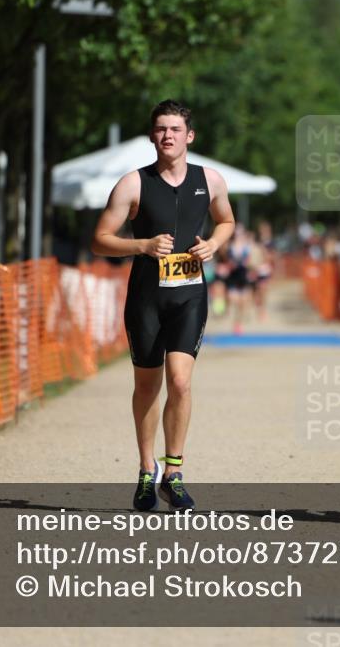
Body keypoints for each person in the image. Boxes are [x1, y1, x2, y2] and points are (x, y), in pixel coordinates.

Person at [91, 99, 235, 513]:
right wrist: (143, 245)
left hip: (189, 294)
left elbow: (226, 220)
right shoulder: (132, 184)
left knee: (182, 380)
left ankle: (174, 472)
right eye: (160, 129)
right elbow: (100, 238)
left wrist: (214, 243)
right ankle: (144, 469)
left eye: (175, 129)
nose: (167, 135)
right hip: (146, 298)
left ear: (189, 136)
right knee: (147, 386)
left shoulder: (210, 180)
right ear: (152, 136)